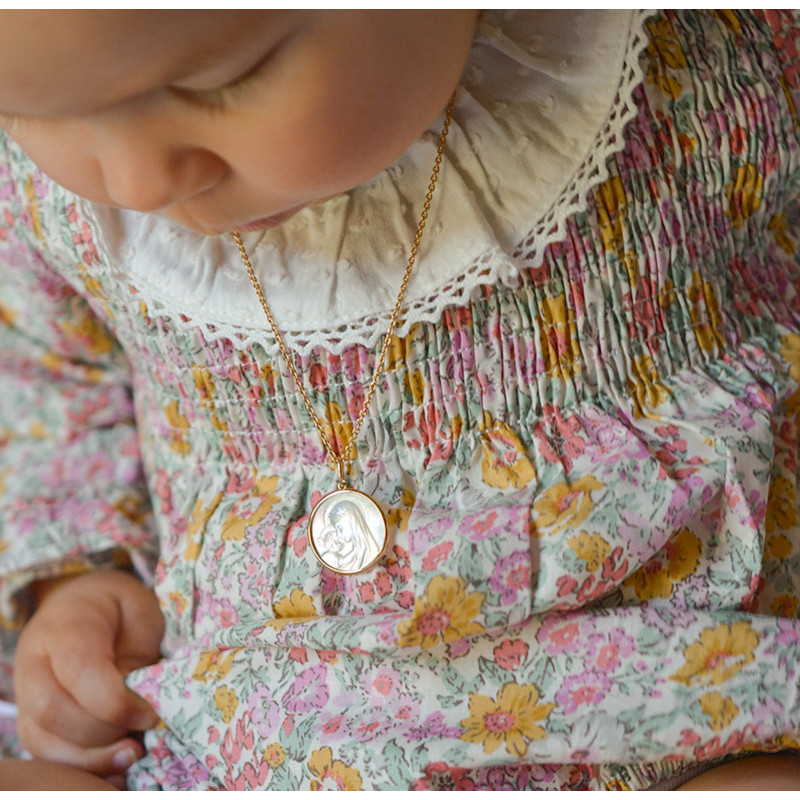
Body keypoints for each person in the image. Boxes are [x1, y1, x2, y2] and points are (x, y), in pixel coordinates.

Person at [0, 9, 798, 791]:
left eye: (221, 78)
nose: (138, 179)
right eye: (31, 110)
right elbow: (53, 373)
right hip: (246, 734)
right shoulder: (56, 202)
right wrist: (76, 585)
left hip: (680, 705)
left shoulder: (715, 50)